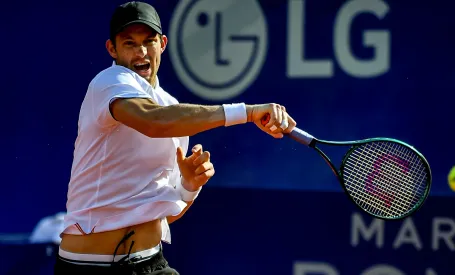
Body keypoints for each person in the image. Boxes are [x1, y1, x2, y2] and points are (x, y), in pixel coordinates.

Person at [53, 1, 296, 275]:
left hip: (151, 263)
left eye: (149, 41)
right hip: (87, 267)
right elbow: (154, 121)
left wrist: (189, 187)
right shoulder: (108, 81)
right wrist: (248, 113)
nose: (141, 52)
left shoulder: (171, 108)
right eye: (129, 43)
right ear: (113, 49)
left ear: (163, 44)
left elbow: (166, 213)